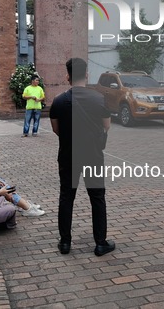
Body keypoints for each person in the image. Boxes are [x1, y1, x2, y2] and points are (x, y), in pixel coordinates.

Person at [49, 57, 114, 256]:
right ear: (86, 75)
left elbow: (56, 129)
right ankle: (100, 243)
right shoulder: (99, 99)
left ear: (67, 76)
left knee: (67, 197)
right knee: (97, 198)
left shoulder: (59, 101)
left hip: (68, 156)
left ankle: (65, 243)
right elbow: (106, 126)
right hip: (93, 156)